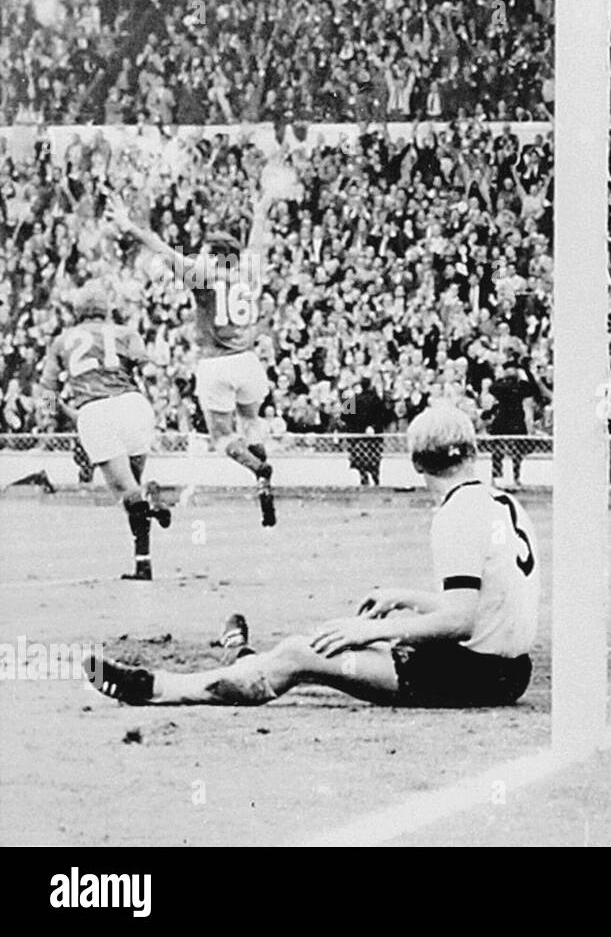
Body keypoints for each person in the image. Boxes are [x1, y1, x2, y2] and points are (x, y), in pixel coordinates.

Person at [85, 402, 540, 708]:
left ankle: (157, 688)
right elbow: (486, 605)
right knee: (343, 648)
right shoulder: (502, 502)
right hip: (505, 670)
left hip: (474, 675)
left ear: (417, 462)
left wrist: (368, 629)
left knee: (301, 653)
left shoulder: (456, 513)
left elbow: (460, 621)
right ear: (472, 452)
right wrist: (403, 597)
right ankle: (243, 661)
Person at [108, 187, 279, 526]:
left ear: (214, 256)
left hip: (215, 362)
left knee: (222, 437)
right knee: (251, 421)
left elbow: (160, 247)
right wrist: (260, 213)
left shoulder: (204, 276)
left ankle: (258, 469)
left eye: (204, 252)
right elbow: (257, 242)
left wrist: (128, 226)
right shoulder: (249, 270)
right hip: (248, 360)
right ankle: (263, 484)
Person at [36, 284, 171, 580]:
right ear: (106, 309)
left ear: (77, 311)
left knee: (126, 493)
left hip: (96, 411)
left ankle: (148, 504)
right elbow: (148, 368)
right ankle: (143, 563)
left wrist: (55, 416)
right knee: (133, 488)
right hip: (135, 405)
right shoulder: (126, 332)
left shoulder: (62, 341)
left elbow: (47, 392)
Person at [485, 359, 538, 490]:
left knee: (500, 451)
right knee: (514, 452)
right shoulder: (520, 386)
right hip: (513, 421)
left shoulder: (501, 386)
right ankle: (514, 478)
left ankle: (499, 477)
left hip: (506, 421)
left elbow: (492, 389)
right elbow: (530, 389)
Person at [343, 376, 391, 486]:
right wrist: (373, 426)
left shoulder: (353, 400)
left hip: (358, 436)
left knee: (360, 459)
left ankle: (363, 477)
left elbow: (345, 417)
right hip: (373, 435)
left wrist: (346, 400)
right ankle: (376, 479)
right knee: (374, 458)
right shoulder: (376, 399)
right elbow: (383, 416)